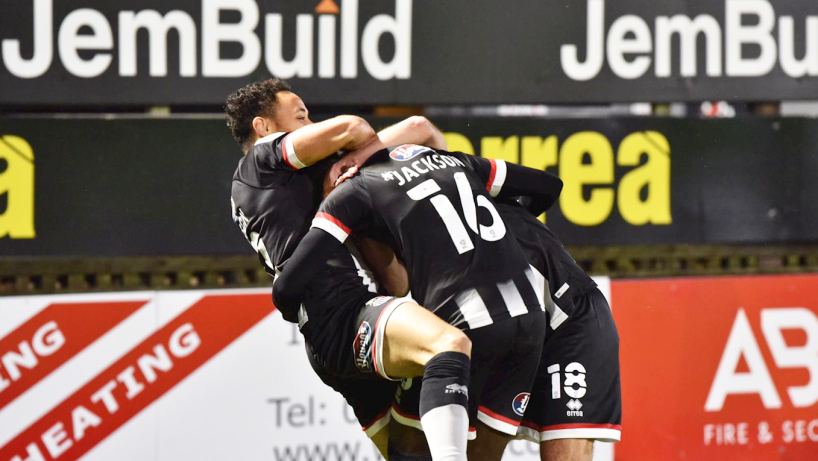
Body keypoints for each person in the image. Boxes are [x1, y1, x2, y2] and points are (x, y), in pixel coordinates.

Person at [227, 78, 474, 459]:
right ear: (263, 127)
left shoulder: (289, 193)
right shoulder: (261, 157)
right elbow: (353, 128)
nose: (310, 125)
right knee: (450, 343)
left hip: (326, 339)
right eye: (301, 116)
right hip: (345, 311)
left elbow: (395, 281)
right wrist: (354, 158)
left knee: (410, 452)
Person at [273, 139, 564, 461]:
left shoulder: (354, 189)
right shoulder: (457, 162)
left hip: (468, 323)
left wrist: (297, 314)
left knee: (409, 448)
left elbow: (290, 283)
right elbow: (549, 185)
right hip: (532, 321)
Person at [496, 197, 622, 461]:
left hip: (570, 326)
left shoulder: (470, 184)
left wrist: (486, 173)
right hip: (514, 337)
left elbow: (551, 186)